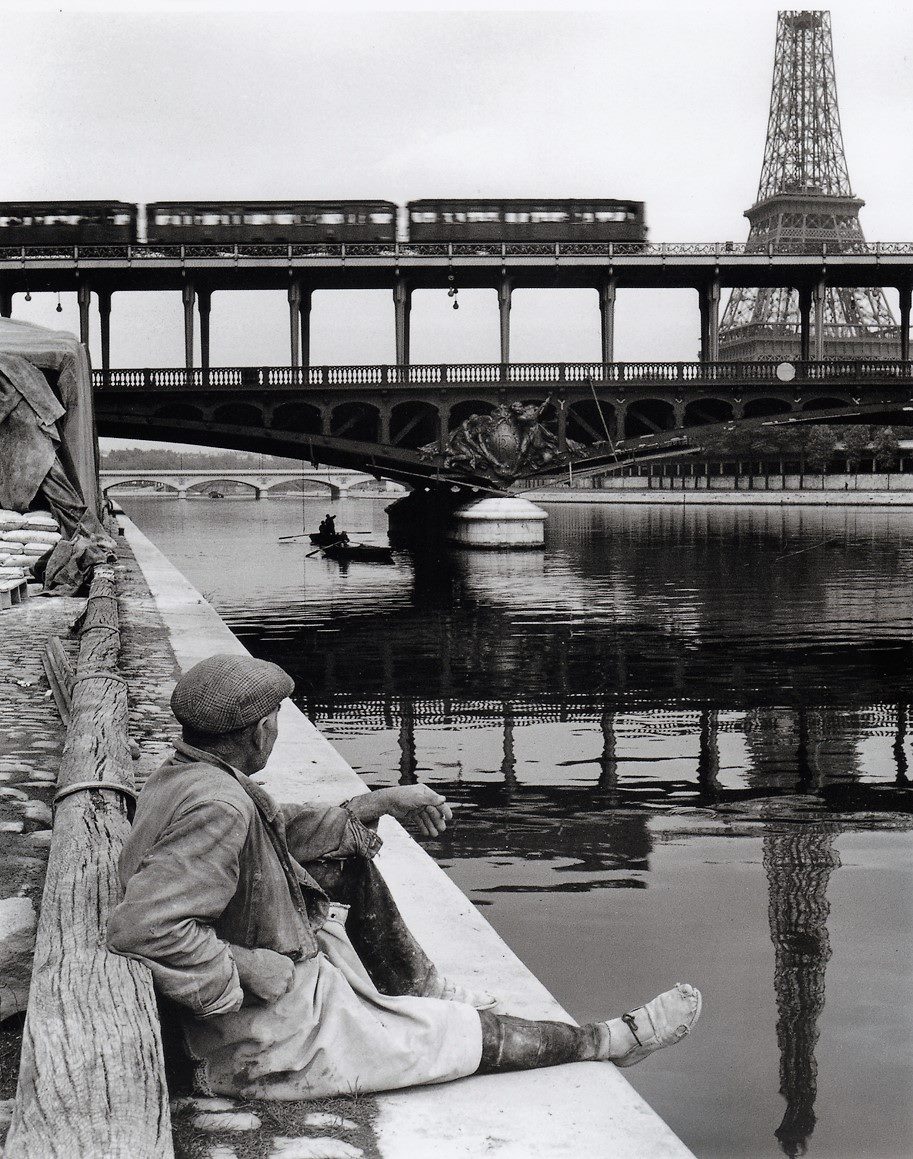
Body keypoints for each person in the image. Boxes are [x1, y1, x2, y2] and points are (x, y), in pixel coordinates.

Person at [107, 654, 701, 1101]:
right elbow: (146, 929)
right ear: (259, 729)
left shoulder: (189, 775)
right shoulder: (219, 807)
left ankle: (415, 986)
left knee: (346, 863)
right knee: (457, 1037)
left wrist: (380, 802)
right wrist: (251, 966)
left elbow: (275, 830)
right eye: (276, 721)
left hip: (256, 978)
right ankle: (608, 1040)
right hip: (254, 1035)